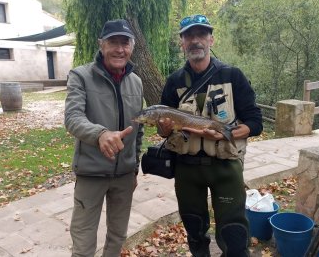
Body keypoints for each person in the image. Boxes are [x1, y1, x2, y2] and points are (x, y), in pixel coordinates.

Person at [158, 14, 263, 257]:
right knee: (194, 229)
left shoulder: (232, 76)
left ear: (211, 40)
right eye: (189, 36)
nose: (195, 41)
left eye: (201, 35)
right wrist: (163, 128)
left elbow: (255, 122)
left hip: (225, 166)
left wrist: (224, 135)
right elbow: (164, 130)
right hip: (187, 169)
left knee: (234, 233)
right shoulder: (173, 82)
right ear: (182, 43)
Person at [64, 19, 144, 257]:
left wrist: (134, 168)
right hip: (91, 172)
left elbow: (138, 130)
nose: (120, 49)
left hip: (124, 176)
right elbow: (73, 118)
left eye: (125, 43)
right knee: (83, 242)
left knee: (118, 237)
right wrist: (100, 134)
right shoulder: (80, 76)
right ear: (101, 45)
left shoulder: (137, 82)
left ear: (132, 46)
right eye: (113, 42)